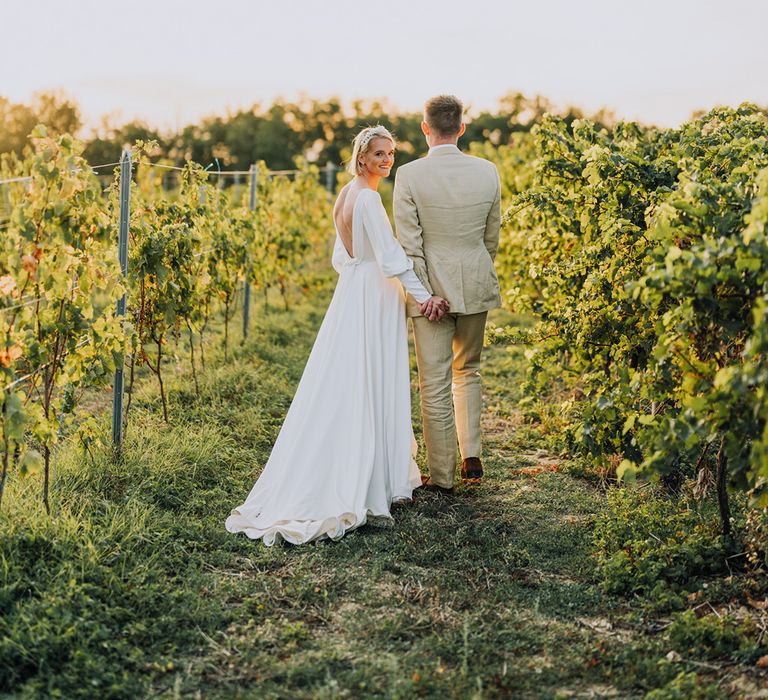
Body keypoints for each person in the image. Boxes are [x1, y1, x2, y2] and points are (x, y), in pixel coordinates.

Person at [225, 125, 449, 545]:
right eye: (379, 154)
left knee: (350, 376)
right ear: (361, 157)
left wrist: (359, 278)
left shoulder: (345, 194)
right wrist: (426, 297)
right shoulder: (367, 197)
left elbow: (339, 258)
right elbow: (391, 259)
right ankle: (367, 480)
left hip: (353, 291)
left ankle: (367, 466)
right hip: (372, 295)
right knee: (370, 376)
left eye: (391, 153)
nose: (387, 160)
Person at [394, 95, 502, 495]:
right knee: (468, 370)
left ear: (425, 128)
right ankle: (471, 453)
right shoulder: (488, 171)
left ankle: (442, 476)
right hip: (475, 282)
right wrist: (472, 271)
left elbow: (410, 245)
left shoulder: (408, 175)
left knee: (434, 383)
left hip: (430, 294)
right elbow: (491, 237)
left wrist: (426, 294)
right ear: (461, 128)